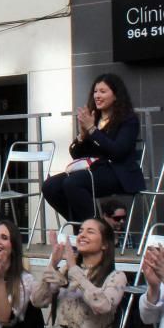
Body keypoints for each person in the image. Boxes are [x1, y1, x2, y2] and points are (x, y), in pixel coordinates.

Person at [43, 74, 145, 224]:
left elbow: (118, 152)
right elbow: (76, 155)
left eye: (103, 91)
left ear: (116, 95)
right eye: (95, 91)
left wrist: (92, 130)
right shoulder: (94, 118)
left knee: (73, 183)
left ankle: (96, 228)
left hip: (118, 173)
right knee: (50, 186)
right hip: (95, 170)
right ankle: (82, 228)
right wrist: (82, 136)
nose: (97, 95)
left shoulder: (128, 120)